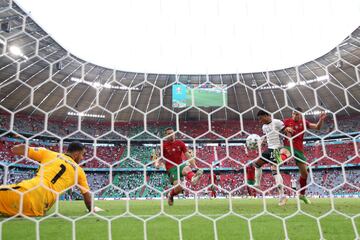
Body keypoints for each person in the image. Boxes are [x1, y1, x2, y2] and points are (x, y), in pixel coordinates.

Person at [0, 141, 101, 217]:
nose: (83, 158)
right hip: (39, 209)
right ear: (76, 154)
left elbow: (21, 149)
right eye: (83, 154)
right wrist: (92, 209)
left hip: (26, 192)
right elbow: (87, 196)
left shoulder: (49, 154)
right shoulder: (79, 171)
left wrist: (13, 148)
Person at [280, 107, 326, 204]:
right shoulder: (286, 121)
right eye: (293, 114)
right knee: (282, 155)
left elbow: (317, 127)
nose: (295, 115)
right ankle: (275, 162)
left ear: (301, 115)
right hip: (288, 146)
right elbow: (277, 128)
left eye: (297, 114)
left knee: (305, 174)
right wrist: (285, 129)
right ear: (292, 114)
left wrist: (321, 120)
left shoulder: (304, 122)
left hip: (299, 150)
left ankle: (302, 195)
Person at [253, 110, 293, 206]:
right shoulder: (264, 127)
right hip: (269, 148)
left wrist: (288, 132)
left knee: (274, 170)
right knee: (257, 164)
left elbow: (285, 131)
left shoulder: (277, 122)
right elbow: (268, 138)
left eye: (260, 118)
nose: (260, 121)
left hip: (278, 149)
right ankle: (257, 184)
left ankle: (282, 195)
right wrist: (263, 142)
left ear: (266, 115)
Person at [158, 127, 203, 206]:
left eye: (172, 133)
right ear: (166, 135)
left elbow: (188, 156)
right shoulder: (163, 145)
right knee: (179, 188)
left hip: (180, 165)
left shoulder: (180, 143)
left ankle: (193, 179)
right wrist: (158, 164)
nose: (171, 135)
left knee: (187, 168)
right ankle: (170, 195)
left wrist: (195, 166)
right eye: (169, 134)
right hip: (171, 168)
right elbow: (160, 158)